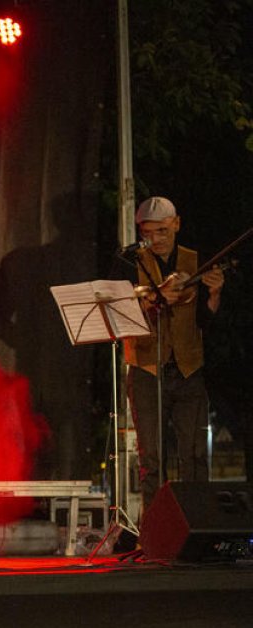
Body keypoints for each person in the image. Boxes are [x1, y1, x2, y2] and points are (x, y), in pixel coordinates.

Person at [123, 197, 223, 513]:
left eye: (164, 231)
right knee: (151, 458)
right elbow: (120, 311)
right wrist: (154, 299)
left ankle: (199, 523)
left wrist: (216, 294)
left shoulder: (197, 260)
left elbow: (206, 322)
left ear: (177, 224)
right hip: (146, 368)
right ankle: (154, 530)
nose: (158, 239)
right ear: (140, 230)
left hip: (189, 368)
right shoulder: (130, 262)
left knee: (194, 454)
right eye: (150, 233)